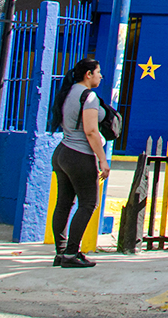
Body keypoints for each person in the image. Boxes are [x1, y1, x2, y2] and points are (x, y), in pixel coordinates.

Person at [48, 58, 110, 268]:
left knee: (64, 204)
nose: (101, 76)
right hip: (79, 154)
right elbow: (91, 131)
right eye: (98, 72)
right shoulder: (88, 96)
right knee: (88, 203)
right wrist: (102, 159)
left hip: (62, 152)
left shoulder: (68, 91)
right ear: (88, 74)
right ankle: (72, 253)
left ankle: (61, 252)